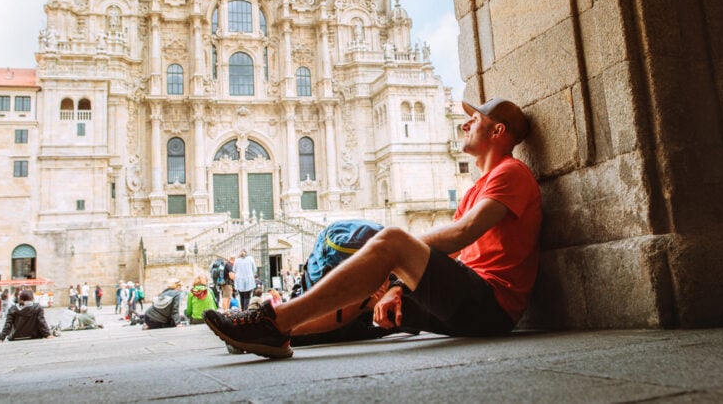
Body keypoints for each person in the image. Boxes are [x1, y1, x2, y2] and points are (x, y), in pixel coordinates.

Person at [204, 97, 541, 359]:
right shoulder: (477, 188)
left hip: (491, 307)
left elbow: (460, 234)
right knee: (370, 293)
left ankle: (273, 320)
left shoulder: (510, 172)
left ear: (497, 132)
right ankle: (277, 333)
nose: (465, 124)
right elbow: (456, 251)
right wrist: (396, 284)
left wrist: (391, 254)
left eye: (476, 119)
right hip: (467, 303)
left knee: (392, 239)